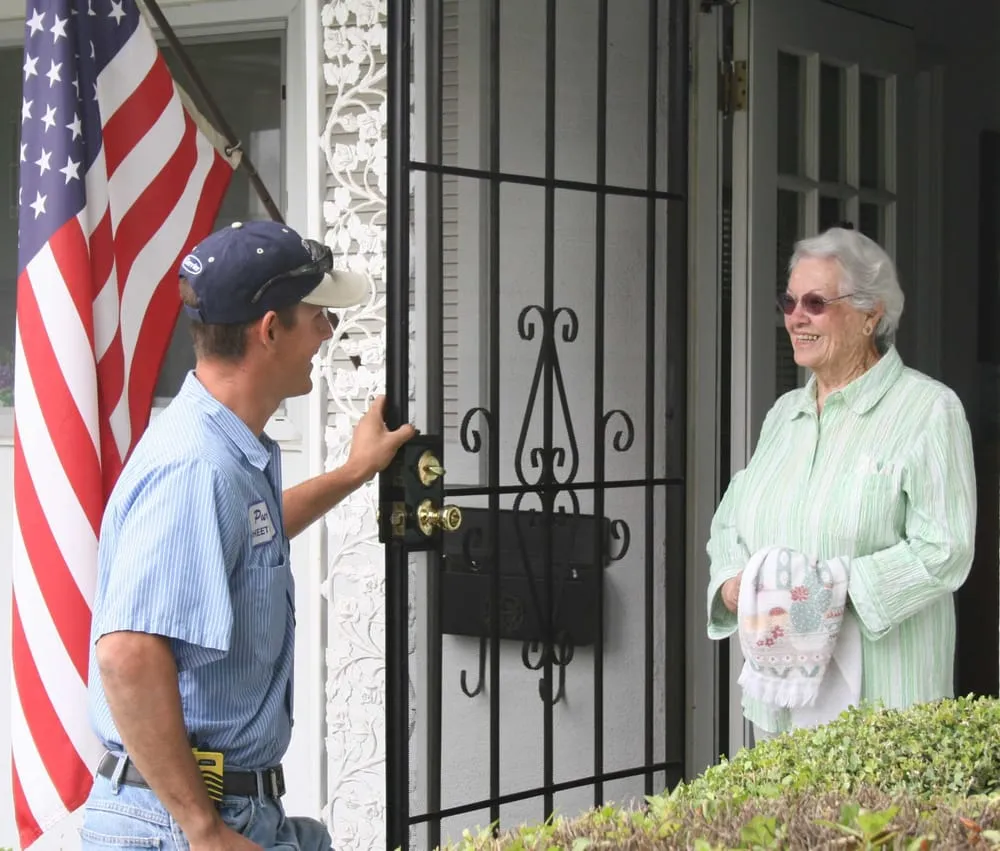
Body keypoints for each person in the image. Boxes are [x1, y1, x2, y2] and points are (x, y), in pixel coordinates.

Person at [80, 220, 415, 850]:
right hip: (180, 825)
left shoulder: (228, 453)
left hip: (226, 812)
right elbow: (126, 655)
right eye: (316, 316)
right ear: (269, 330)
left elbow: (242, 538)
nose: (326, 333)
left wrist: (353, 472)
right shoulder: (195, 468)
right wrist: (203, 830)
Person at [706, 225, 976, 742]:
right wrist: (734, 583)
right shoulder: (785, 414)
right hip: (782, 709)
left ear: (871, 314)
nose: (796, 318)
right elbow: (730, 520)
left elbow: (945, 549)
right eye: (789, 301)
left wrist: (827, 592)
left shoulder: (929, 410)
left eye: (815, 302)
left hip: (886, 708)